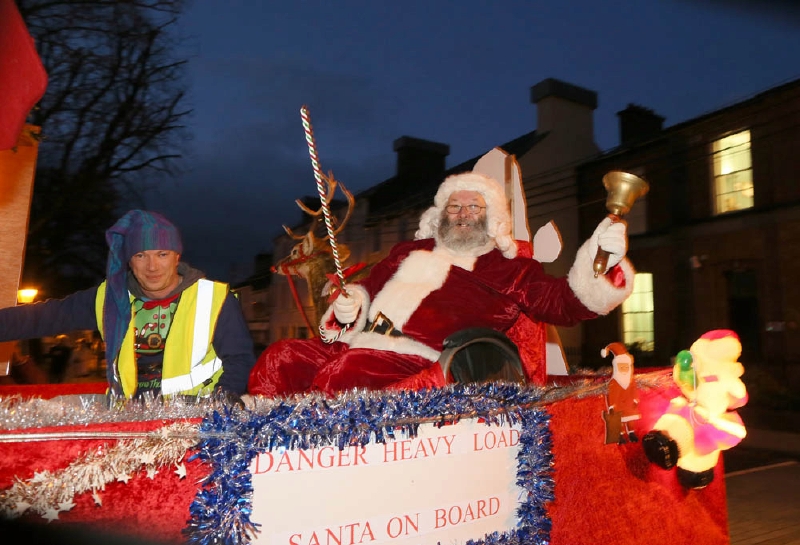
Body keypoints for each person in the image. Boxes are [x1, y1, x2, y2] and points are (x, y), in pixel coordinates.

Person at [248, 171, 635, 397]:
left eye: (473, 206)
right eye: (455, 206)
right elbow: (367, 286)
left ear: (491, 217)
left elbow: (561, 302)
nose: (463, 213)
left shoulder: (508, 268)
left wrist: (600, 266)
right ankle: (252, 448)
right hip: (358, 342)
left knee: (349, 372)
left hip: (422, 360)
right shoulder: (407, 250)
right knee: (281, 357)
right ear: (441, 213)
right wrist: (351, 304)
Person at [0, 210, 255, 401]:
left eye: (162, 254)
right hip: (127, 417)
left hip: (194, 418)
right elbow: (41, 317)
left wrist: (221, 405)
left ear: (177, 257)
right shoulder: (110, 297)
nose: (152, 266)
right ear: (129, 261)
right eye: (141, 255)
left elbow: (239, 360)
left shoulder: (215, 298)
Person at [601, 342, 640, 444]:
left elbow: (634, 390)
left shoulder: (631, 380)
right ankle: (621, 434)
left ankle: (631, 433)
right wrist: (611, 406)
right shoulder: (614, 382)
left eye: (626, 367)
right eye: (621, 367)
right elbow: (611, 394)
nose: (624, 369)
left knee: (630, 420)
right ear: (617, 367)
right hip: (618, 405)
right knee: (620, 421)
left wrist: (636, 399)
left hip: (629, 404)